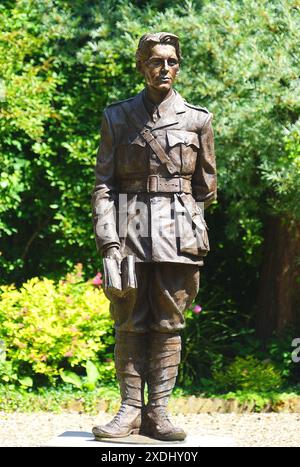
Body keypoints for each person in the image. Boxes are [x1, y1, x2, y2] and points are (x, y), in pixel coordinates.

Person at [91, 32, 217, 441]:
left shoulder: (198, 119)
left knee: (169, 322)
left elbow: (207, 187)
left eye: (172, 61)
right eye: (156, 61)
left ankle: (158, 412)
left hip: (178, 233)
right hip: (128, 230)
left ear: (178, 66)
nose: (164, 68)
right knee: (129, 321)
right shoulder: (117, 117)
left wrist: (185, 219)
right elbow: (104, 185)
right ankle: (128, 410)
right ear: (141, 65)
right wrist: (109, 241)